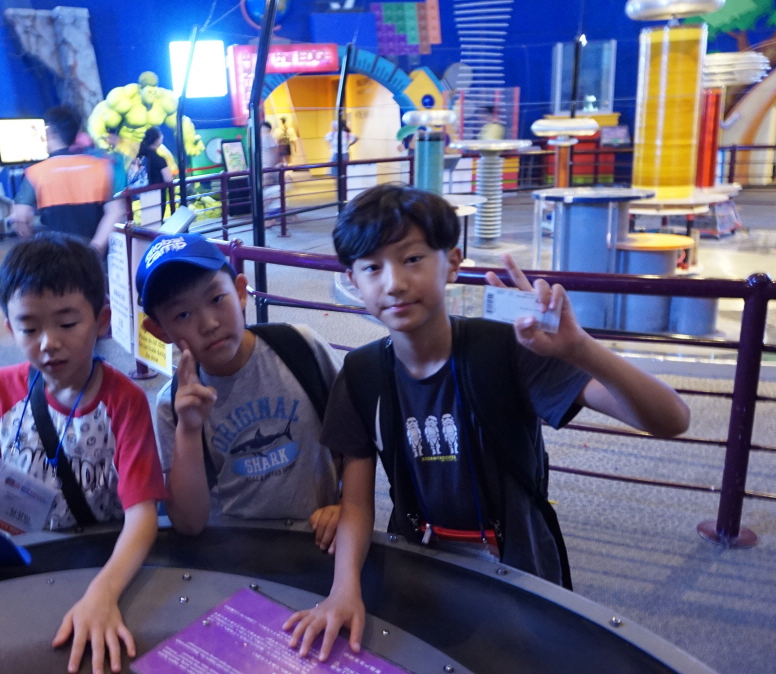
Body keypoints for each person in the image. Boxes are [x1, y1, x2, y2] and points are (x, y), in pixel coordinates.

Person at [283, 184, 691, 660]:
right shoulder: (362, 373)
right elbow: (355, 501)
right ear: (352, 280)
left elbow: (672, 419)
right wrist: (343, 589)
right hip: (420, 559)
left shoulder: (507, 351)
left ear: (453, 262)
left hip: (519, 563)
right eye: (372, 267)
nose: (393, 283)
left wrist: (580, 348)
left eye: (412, 259)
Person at [0, 233, 166, 674]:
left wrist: (104, 592)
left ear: (101, 320)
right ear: (10, 328)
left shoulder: (124, 401)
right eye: (29, 328)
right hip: (17, 562)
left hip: (95, 562)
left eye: (67, 323)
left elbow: (142, 515)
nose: (48, 342)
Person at [138, 234, 343, 546]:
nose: (208, 324)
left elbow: (356, 434)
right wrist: (189, 430)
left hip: (319, 538)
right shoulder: (172, 404)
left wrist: (347, 505)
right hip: (233, 553)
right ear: (159, 331)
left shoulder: (301, 347)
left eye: (216, 299)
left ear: (240, 292)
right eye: (182, 314)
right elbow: (189, 523)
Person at [10, 105, 127, 253]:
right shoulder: (103, 167)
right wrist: (95, 249)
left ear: (50, 132)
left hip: (55, 255)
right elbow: (116, 212)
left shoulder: (35, 172)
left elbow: (20, 218)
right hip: (94, 257)